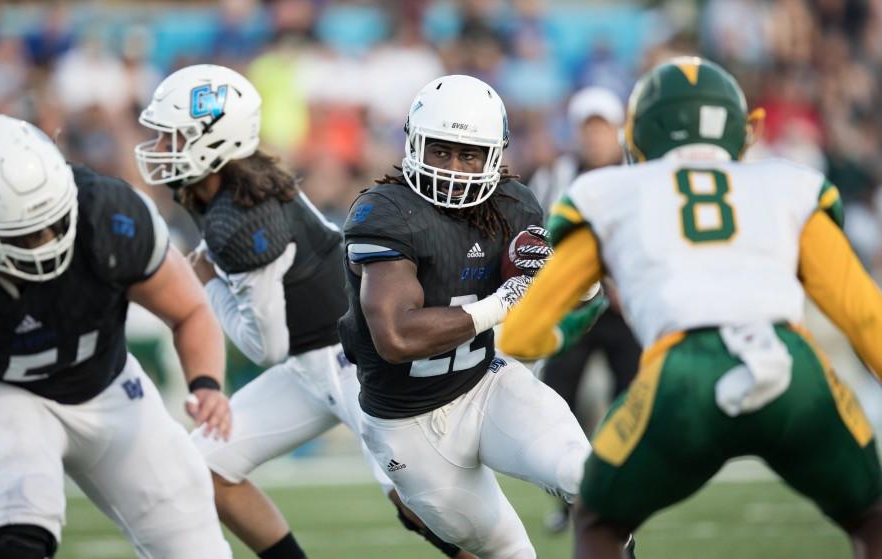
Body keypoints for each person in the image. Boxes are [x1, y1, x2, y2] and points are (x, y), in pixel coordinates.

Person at [500, 57, 882, 559]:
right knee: (870, 517)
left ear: (635, 133)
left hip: (685, 375)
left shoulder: (607, 192)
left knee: (598, 518)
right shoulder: (790, 184)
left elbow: (523, 333)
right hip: (794, 370)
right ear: (747, 129)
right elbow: (864, 316)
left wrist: (561, 333)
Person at [135, 64, 472, 559]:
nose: (162, 149)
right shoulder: (223, 187)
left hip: (356, 359)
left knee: (415, 500)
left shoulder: (242, 215)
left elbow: (264, 346)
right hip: (313, 360)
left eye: (175, 137)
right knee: (202, 465)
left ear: (215, 140)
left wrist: (207, 286)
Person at [0, 114, 233, 559]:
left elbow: (190, 310)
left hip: (107, 387)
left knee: (194, 545)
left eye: (53, 220)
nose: (45, 239)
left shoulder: (109, 215)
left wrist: (206, 386)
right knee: (21, 522)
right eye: (25, 233)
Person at [339, 74, 611, 558]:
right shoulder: (383, 212)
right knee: (510, 551)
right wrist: (505, 302)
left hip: (485, 383)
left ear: (494, 155)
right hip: (408, 422)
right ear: (414, 143)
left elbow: (555, 304)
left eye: (469, 155)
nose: (454, 167)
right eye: (441, 150)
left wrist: (574, 286)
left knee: (592, 480)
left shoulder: (513, 204)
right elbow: (396, 335)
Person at [534, 87, 643, 534]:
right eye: (588, 127)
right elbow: (537, 240)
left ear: (617, 130)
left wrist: (626, 285)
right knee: (557, 404)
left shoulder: (637, 177)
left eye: (601, 126)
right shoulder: (554, 176)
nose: (594, 136)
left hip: (622, 311)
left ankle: (622, 492)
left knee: (633, 401)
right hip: (574, 306)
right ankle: (570, 497)